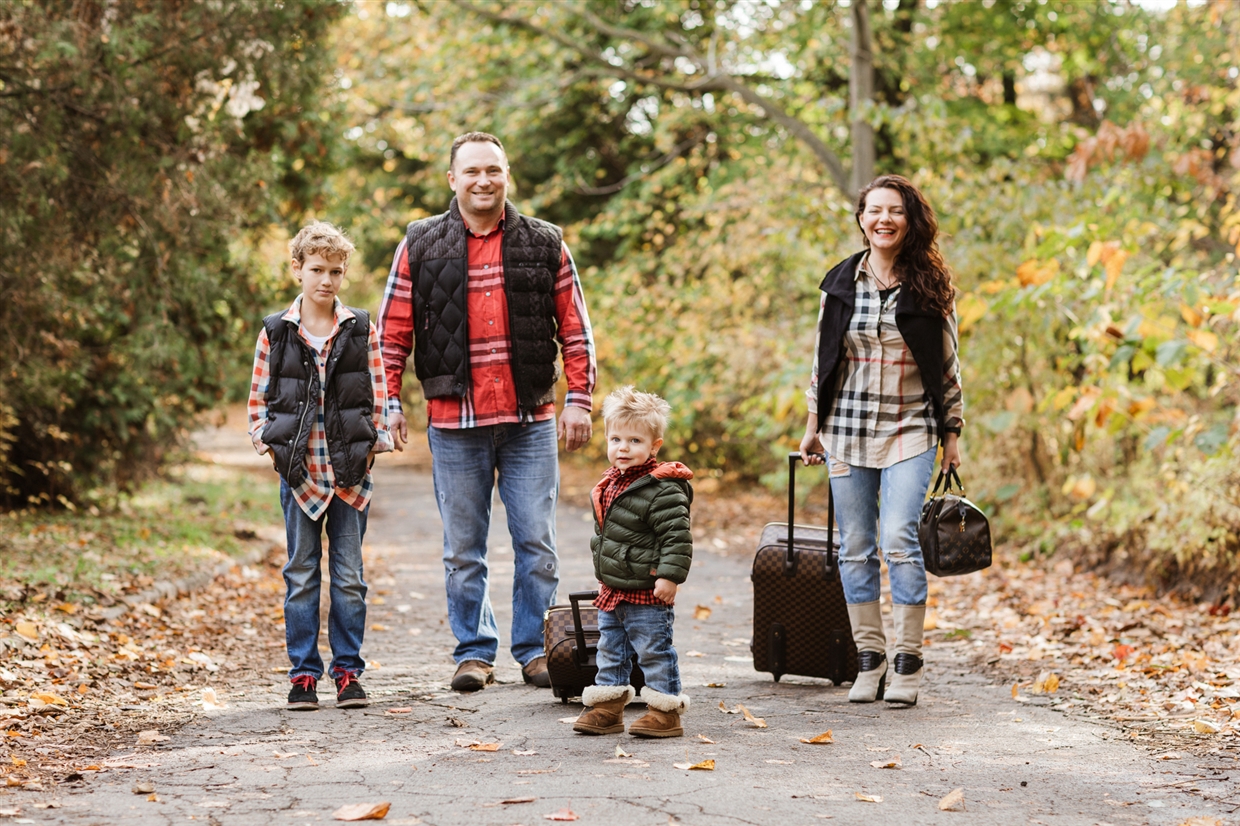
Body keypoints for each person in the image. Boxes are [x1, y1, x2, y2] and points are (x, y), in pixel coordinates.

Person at [377, 132, 596, 692]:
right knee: (462, 550)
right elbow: (391, 334)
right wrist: (389, 403)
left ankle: (536, 650)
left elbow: (576, 329)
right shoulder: (420, 243)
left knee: (537, 544)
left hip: (529, 422)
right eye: (472, 171)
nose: (483, 180)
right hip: (455, 423)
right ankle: (474, 652)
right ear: (453, 179)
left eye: (493, 170)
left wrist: (579, 399)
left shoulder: (544, 242)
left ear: (506, 176)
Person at [799, 175, 964, 707]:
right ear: (861, 218)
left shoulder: (931, 286)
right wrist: (812, 427)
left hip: (910, 429)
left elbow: (948, 366)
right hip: (845, 431)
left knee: (898, 539)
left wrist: (953, 433)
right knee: (855, 548)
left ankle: (907, 664)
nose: (884, 219)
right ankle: (869, 662)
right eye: (874, 210)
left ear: (910, 220)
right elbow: (823, 360)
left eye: (895, 211)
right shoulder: (840, 282)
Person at [248, 221, 392, 711]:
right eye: (316, 270)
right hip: (300, 473)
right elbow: (259, 403)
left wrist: (372, 448)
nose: (326, 280)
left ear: (344, 273)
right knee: (302, 574)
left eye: (335, 271)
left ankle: (348, 672)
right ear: (297, 269)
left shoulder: (360, 328)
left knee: (349, 577)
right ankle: (304, 675)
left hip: (350, 473)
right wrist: (272, 449)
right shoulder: (276, 331)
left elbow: (378, 397)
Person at [573, 386, 693, 738]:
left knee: (654, 651)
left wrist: (669, 577)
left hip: (647, 591)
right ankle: (608, 707)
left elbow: (676, 537)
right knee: (610, 649)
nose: (623, 448)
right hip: (613, 590)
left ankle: (665, 712)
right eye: (616, 439)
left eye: (634, 441)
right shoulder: (610, 482)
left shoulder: (663, 489)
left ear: (654, 446)